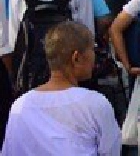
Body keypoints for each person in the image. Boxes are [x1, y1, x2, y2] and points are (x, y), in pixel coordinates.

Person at [1, 21, 120, 156]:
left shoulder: (20, 106)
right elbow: (111, 151)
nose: (95, 56)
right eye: (93, 49)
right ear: (76, 58)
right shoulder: (95, 104)